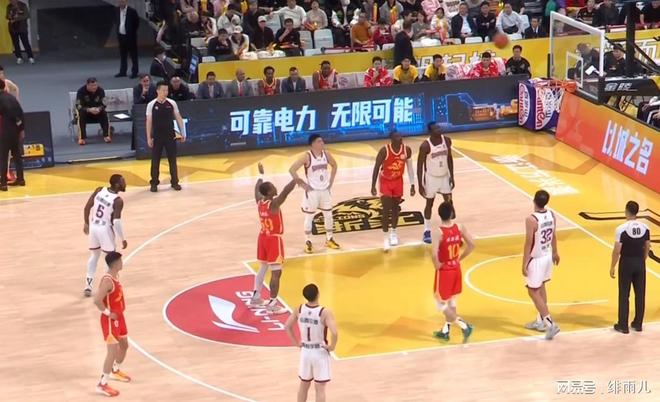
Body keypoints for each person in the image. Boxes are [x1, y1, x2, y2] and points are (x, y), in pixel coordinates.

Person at [249, 163, 297, 313]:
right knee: (276, 272)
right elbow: (285, 192)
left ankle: (256, 297)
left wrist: (261, 175)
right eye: (273, 187)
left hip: (262, 237)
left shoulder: (260, 201)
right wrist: (296, 178)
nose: (276, 188)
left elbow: (256, 188)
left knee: (263, 267)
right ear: (269, 192)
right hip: (273, 240)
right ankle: (272, 304)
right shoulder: (273, 204)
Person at [285, 283, 338, 402]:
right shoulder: (324, 312)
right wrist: (332, 346)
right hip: (319, 352)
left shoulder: (299, 309)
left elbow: (287, 326)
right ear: (318, 294)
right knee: (320, 388)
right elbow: (334, 333)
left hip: (305, 351)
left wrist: (296, 343)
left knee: (303, 385)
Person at [289, 134, 341, 254]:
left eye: (322, 141)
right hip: (312, 192)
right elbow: (292, 170)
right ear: (312, 144)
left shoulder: (326, 154)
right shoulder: (307, 156)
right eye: (319, 141)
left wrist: (331, 182)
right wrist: (302, 184)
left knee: (329, 215)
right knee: (310, 217)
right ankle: (308, 241)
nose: (322, 143)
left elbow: (335, 165)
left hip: (325, 190)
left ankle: (329, 239)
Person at [431, 201, 475, 342]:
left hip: (445, 270)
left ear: (439, 215)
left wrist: (437, 265)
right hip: (456, 268)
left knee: (440, 302)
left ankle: (464, 325)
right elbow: (472, 244)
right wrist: (460, 258)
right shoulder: (460, 227)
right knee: (451, 300)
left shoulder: (438, 232)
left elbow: (434, 255)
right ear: (451, 213)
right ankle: (446, 331)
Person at [522, 190, 560, 340]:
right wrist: (555, 252)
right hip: (547, 255)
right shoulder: (552, 215)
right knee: (541, 287)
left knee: (532, 291)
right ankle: (540, 321)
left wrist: (524, 263)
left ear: (534, 201)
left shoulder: (531, 219)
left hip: (536, 258)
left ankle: (550, 324)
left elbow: (528, 243)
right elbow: (554, 235)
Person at [93, 251, 131, 397]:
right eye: (120, 261)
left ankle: (115, 370)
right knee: (112, 351)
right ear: (115, 264)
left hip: (119, 317)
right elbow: (97, 300)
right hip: (110, 320)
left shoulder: (115, 276)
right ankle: (102, 384)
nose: (122, 262)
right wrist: (109, 313)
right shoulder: (108, 281)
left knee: (124, 345)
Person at [82, 174, 128, 296]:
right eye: (123, 182)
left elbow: (87, 208)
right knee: (110, 259)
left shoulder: (99, 190)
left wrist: (86, 223)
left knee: (94, 255)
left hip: (94, 227)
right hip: (105, 229)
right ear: (117, 185)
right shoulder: (117, 200)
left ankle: (88, 286)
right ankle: (106, 287)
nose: (125, 184)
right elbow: (116, 222)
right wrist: (123, 238)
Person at [610, 201, 651, 334]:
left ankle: (623, 325)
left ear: (626, 211)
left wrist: (612, 266)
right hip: (640, 262)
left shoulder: (621, 229)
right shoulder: (645, 227)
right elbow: (647, 245)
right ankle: (638, 324)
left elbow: (617, 250)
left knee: (624, 294)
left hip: (626, 263)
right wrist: (643, 259)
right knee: (640, 294)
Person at [371, 131, 415, 251]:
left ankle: (393, 233)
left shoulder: (407, 150)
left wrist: (412, 184)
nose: (400, 138)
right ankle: (385, 238)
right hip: (385, 181)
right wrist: (373, 185)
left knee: (396, 209)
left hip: (398, 181)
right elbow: (376, 168)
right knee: (386, 210)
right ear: (391, 139)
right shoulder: (384, 151)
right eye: (397, 137)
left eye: (400, 136)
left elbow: (410, 168)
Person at [146, 81, 186, 192]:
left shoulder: (172, 103)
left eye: (167, 90)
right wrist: (149, 137)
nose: (165, 92)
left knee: (172, 160)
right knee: (155, 161)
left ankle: (175, 182)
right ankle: (154, 183)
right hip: (157, 136)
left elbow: (178, 118)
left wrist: (183, 132)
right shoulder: (151, 105)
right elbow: (148, 122)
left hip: (170, 136)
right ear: (157, 91)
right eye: (163, 90)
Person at [417, 122, 454, 244]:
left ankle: (449, 229)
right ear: (430, 132)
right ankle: (427, 230)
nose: (439, 129)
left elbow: (449, 158)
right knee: (429, 204)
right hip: (431, 178)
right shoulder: (425, 146)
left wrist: (452, 176)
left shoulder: (447, 140)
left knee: (449, 203)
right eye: (436, 128)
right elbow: (419, 166)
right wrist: (420, 184)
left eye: (439, 127)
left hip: (444, 176)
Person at [0, 78, 24, 192]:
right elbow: (20, 113)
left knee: (3, 158)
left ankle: (3, 184)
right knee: (17, 156)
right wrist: (21, 129)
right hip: (15, 131)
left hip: (4, 132)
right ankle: (21, 179)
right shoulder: (12, 98)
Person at [76, 78, 110, 146]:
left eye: (95, 85)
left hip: (97, 111)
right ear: (87, 85)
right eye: (92, 85)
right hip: (86, 112)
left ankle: (106, 136)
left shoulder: (100, 90)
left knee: (104, 113)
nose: (94, 87)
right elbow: (78, 106)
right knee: (81, 115)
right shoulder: (81, 91)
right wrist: (89, 110)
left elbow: (104, 104)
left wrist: (99, 109)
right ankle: (82, 138)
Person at [115, 0, 140, 78]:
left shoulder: (132, 11)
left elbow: (136, 23)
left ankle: (134, 72)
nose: (121, 3)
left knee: (133, 55)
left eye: (123, 1)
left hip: (130, 37)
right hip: (121, 36)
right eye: (120, 1)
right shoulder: (116, 10)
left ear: (126, 2)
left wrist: (131, 31)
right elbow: (116, 20)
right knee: (123, 55)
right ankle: (123, 71)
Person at [6, 0, 34, 65]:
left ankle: (30, 57)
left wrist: (16, 19)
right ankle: (19, 57)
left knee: (25, 43)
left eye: (12, 0)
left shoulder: (23, 5)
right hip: (13, 28)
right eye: (10, 0)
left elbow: (27, 15)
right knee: (16, 44)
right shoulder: (9, 6)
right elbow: (7, 16)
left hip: (22, 28)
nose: (11, 1)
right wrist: (9, 16)